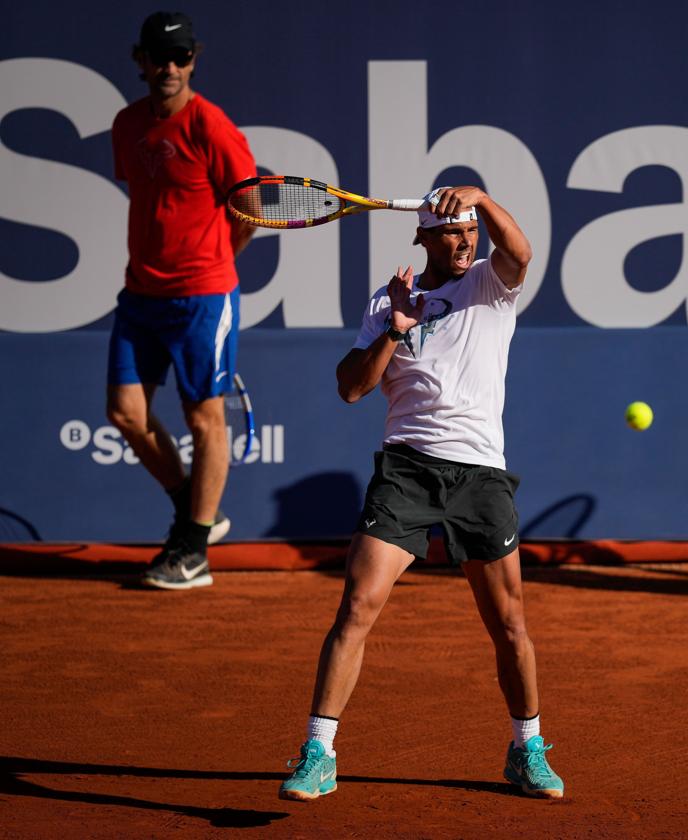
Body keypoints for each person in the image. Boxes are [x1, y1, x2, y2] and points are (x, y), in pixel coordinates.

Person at [278, 187, 565, 801]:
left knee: (509, 623)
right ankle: (318, 752)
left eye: (471, 231)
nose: (465, 242)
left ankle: (527, 747)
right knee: (357, 607)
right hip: (407, 471)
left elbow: (522, 249)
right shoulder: (389, 299)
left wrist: (481, 198)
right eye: (452, 232)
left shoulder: (492, 282)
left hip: (480, 476)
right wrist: (395, 328)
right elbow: (351, 389)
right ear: (424, 238)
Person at [106, 11, 256, 590]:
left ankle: (192, 552)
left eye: (181, 57)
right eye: (159, 57)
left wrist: (214, 261)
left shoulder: (212, 127)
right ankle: (197, 514)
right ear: (139, 60)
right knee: (125, 413)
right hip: (140, 293)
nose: (170, 67)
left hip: (202, 295)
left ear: (193, 59)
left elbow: (250, 210)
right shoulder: (126, 126)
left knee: (204, 417)